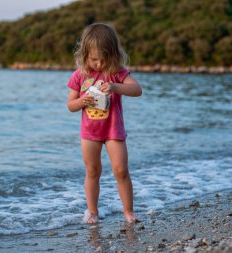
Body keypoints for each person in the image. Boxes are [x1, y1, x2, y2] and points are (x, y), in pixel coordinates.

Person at [66, 23, 142, 224]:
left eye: (103, 59)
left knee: (121, 170)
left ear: (113, 54)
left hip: (113, 131)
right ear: (85, 55)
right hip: (89, 133)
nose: (99, 64)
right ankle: (92, 212)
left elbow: (137, 90)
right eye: (93, 59)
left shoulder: (116, 72)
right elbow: (70, 105)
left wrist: (115, 87)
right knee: (92, 171)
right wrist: (82, 101)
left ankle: (128, 211)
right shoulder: (80, 75)